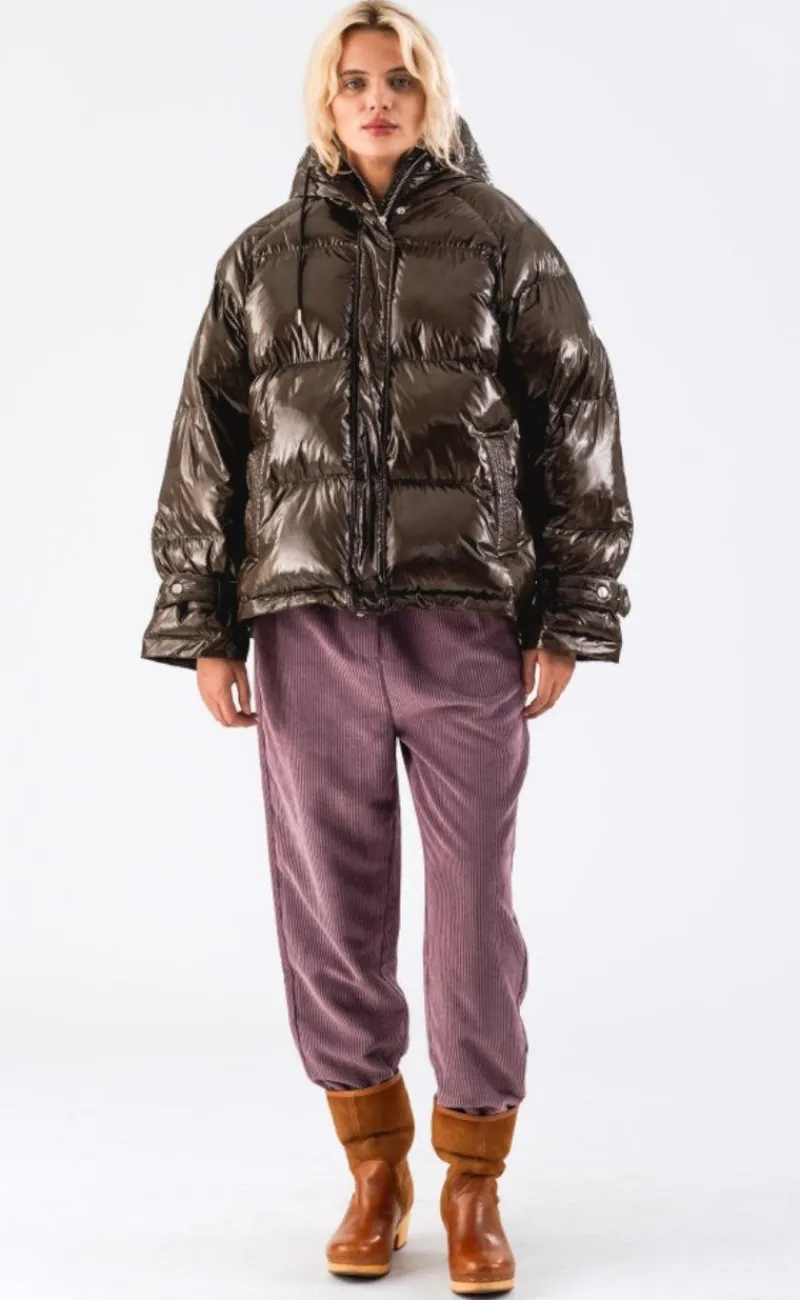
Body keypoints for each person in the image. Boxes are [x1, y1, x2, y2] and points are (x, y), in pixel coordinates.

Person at [140, 2, 634, 1292]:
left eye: (398, 80)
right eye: (353, 81)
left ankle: (474, 1182)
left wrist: (574, 611)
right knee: (331, 909)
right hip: (304, 628)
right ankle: (374, 1167)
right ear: (326, 98)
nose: (375, 100)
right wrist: (203, 623)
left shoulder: (503, 241)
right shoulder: (262, 259)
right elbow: (209, 447)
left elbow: (577, 415)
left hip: (463, 623)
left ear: (431, 95)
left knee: (472, 913)